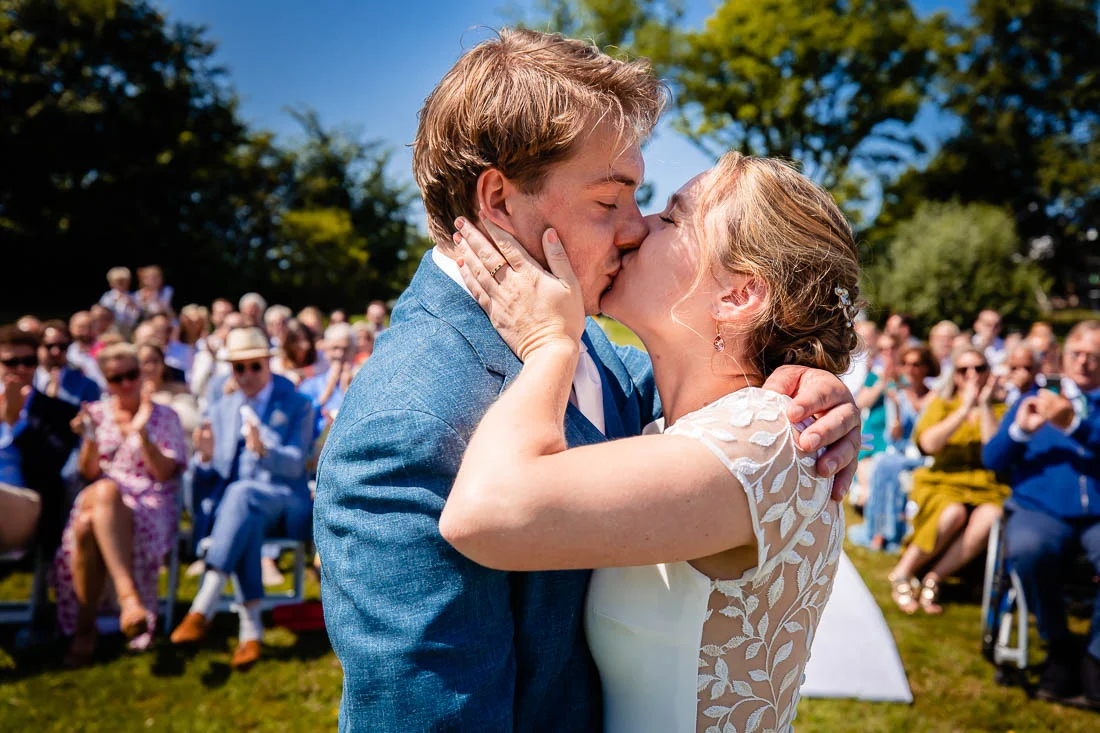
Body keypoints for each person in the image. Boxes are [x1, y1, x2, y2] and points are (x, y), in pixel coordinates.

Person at [315, 29, 860, 731]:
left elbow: (721, 423)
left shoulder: (597, 351)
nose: (634, 229)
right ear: (500, 200)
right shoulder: (405, 422)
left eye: (656, 210)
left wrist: (810, 377)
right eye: (612, 201)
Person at [443, 150, 857, 732]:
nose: (636, 227)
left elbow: (483, 514)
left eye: (671, 218)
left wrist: (549, 344)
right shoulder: (693, 429)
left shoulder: (766, 441)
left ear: (738, 296)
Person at [170, 327, 314, 671]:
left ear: (268, 363)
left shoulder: (297, 404)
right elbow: (209, 475)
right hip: (239, 509)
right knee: (242, 511)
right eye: (239, 368)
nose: (247, 375)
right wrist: (203, 459)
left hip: (284, 501)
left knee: (241, 496)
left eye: (254, 366)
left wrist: (265, 450)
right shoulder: (221, 407)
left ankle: (204, 603)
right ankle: (251, 631)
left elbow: (296, 465)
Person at [984, 320, 1100, 706]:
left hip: (1096, 514)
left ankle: (1095, 657)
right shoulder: (1034, 397)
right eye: (1077, 355)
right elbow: (993, 459)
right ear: (1062, 357)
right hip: (1040, 509)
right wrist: (1020, 432)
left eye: (1095, 357)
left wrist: (1075, 426)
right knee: (1029, 548)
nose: (1084, 364)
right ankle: (1058, 643)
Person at [52, 343, 186, 665]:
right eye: (117, 378)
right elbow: (88, 471)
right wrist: (90, 438)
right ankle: (129, 602)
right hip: (103, 497)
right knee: (104, 493)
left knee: (88, 523)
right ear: (105, 380)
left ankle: (85, 632)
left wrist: (142, 434)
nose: (126, 384)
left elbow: (165, 472)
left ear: (142, 373)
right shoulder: (95, 414)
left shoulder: (164, 415)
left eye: (132, 375)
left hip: (149, 499)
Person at [887, 347, 1009, 615]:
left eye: (979, 368)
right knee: (952, 512)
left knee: (992, 515)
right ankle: (902, 572)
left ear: (988, 372)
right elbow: (928, 444)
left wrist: (984, 405)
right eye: (964, 370)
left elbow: (995, 454)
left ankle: (935, 576)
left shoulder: (1001, 409)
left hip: (986, 484)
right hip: (942, 480)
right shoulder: (942, 405)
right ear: (955, 376)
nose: (972, 375)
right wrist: (964, 408)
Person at [848, 344, 939, 551]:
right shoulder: (897, 394)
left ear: (926, 367)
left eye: (916, 364)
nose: (910, 369)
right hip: (901, 451)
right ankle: (880, 530)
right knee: (883, 464)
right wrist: (896, 411)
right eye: (906, 364)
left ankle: (884, 531)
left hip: (923, 453)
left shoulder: (935, 397)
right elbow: (893, 436)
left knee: (885, 464)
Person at [298, 323, 353, 438]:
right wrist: (328, 390)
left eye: (346, 349)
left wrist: (347, 390)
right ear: (326, 349)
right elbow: (300, 420)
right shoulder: (310, 385)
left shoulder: (364, 384)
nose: (340, 354)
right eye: (335, 348)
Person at [137, 343, 200, 440]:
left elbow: (193, 424)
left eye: (155, 361)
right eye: (146, 362)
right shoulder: (134, 395)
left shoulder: (180, 390)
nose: (151, 366)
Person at [33, 320, 100, 407]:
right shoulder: (27, 379)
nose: (56, 352)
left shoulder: (87, 385)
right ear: (38, 347)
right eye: (49, 346)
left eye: (62, 346)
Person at [270, 319, 319, 387]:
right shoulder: (277, 362)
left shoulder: (319, 357)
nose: (302, 344)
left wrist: (304, 373)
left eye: (305, 339)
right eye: (297, 340)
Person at [99, 266, 140, 338]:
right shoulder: (107, 297)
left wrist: (132, 305)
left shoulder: (135, 296)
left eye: (123, 281)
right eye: (117, 281)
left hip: (130, 330)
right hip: (111, 331)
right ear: (111, 283)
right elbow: (102, 316)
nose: (120, 283)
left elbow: (138, 316)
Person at [67, 311, 105, 389]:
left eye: (90, 327)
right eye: (81, 327)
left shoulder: (106, 349)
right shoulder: (67, 354)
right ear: (71, 328)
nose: (86, 332)